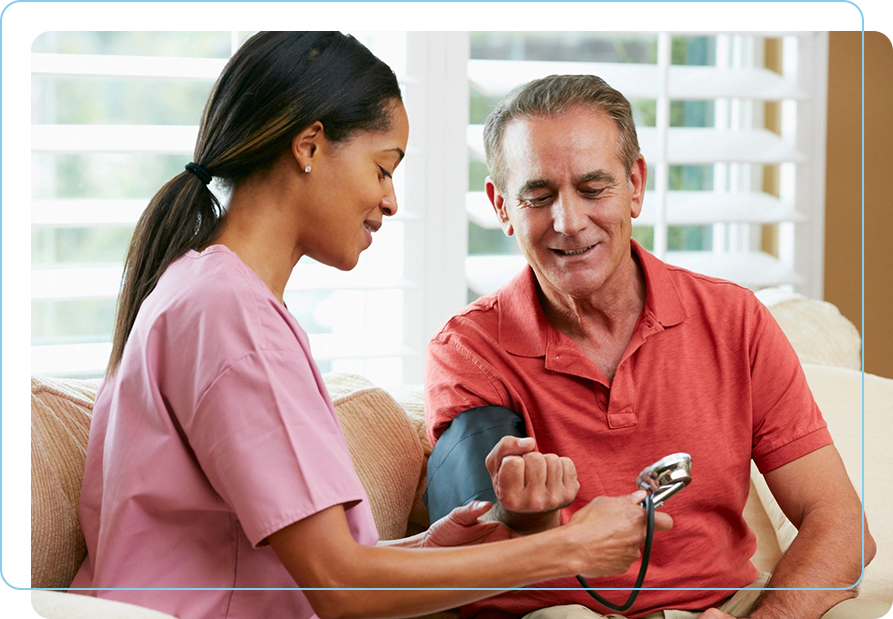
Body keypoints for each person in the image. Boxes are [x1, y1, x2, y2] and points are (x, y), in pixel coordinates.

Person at [70, 33, 675, 619]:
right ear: (309, 146)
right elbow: (338, 588)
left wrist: (426, 550)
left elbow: (298, 570)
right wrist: (568, 547)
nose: (390, 200)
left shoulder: (209, 294)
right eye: (383, 168)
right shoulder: (229, 316)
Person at [424, 75, 880, 619]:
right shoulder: (468, 351)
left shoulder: (734, 320)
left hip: (729, 607)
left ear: (635, 185)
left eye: (594, 189)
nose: (569, 223)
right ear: (502, 207)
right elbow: (466, 569)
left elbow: (839, 521)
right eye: (538, 196)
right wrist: (527, 520)